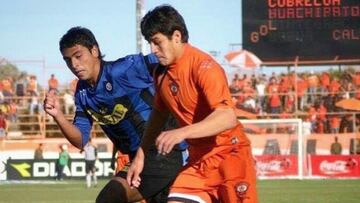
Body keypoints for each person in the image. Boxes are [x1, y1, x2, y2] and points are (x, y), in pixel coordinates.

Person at [127, 5, 258, 203]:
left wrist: (182, 132)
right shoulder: (161, 74)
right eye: (150, 43)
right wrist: (141, 155)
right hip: (198, 162)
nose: (153, 50)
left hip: (230, 156)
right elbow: (158, 115)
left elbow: (227, 116)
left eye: (157, 42)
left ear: (177, 36)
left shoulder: (205, 67)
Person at [43, 26, 186, 203]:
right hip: (139, 158)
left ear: (94, 50)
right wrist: (58, 115)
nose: (74, 65)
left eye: (78, 56)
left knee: (109, 198)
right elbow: (80, 140)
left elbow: (170, 57)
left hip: (162, 150)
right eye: (67, 60)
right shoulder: (82, 93)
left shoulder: (123, 70)